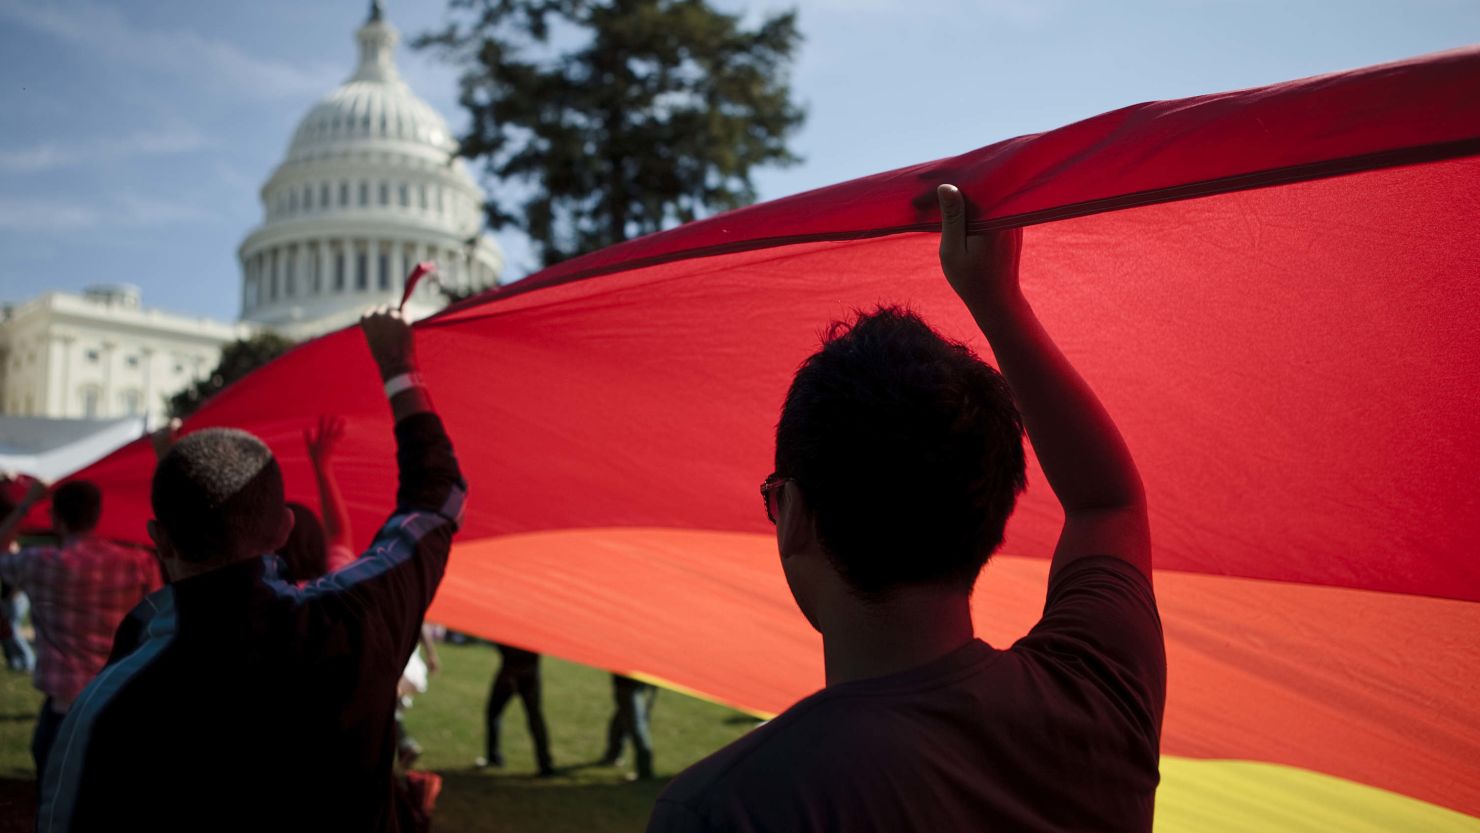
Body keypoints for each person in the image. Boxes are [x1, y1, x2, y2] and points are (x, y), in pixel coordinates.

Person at [648, 185, 1165, 832]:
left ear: (795, 512)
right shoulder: (1099, 699)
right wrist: (999, 299)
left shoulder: (730, 807)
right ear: (993, 502)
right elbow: (1106, 501)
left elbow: (1104, 502)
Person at [37, 308, 466, 833]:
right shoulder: (350, 624)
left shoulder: (106, 705)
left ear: (159, 539)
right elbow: (435, 500)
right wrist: (397, 365)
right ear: (283, 529)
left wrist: (169, 457)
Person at [0, 478, 160, 778]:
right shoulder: (138, 563)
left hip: (65, 709)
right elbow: (157, 620)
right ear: (97, 513)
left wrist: (26, 503)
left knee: (56, 808)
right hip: (119, 701)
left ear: (56, 518)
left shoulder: (40, 563)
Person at [479, 643, 555, 776]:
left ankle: (494, 757)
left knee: (495, 713)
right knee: (534, 717)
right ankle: (545, 764)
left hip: (511, 671)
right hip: (529, 670)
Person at [602, 673, 657, 780]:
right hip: (629, 680)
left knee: (635, 724)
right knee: (623, 716)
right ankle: (613, 755)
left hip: (629, 682)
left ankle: (644, 770)